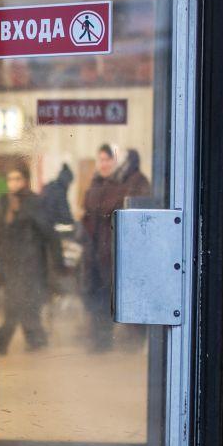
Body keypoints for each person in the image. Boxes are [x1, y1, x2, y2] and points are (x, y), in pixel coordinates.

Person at [0, 166, 55, 354]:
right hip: (9, 259)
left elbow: (46, 230)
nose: (13, 183)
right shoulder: (3, 201)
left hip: (30, 260)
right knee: (18, 301)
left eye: (17, 178)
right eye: (10, 179)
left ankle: (5, 339)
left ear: (25, 180)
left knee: (21, 301)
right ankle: (35, 338)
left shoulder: (35, 201)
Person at [80, 145, 129, 350]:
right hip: (92, 252)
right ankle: (97, 338)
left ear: (114, 162)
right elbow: (88, 213)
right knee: (92, 295)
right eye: (101, 159)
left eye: (108, 160)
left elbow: (106, 210)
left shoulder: (120, 187)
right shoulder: (92, 187)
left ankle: (104, 340)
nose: (104, 163)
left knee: (105, 297)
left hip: (109, 252)